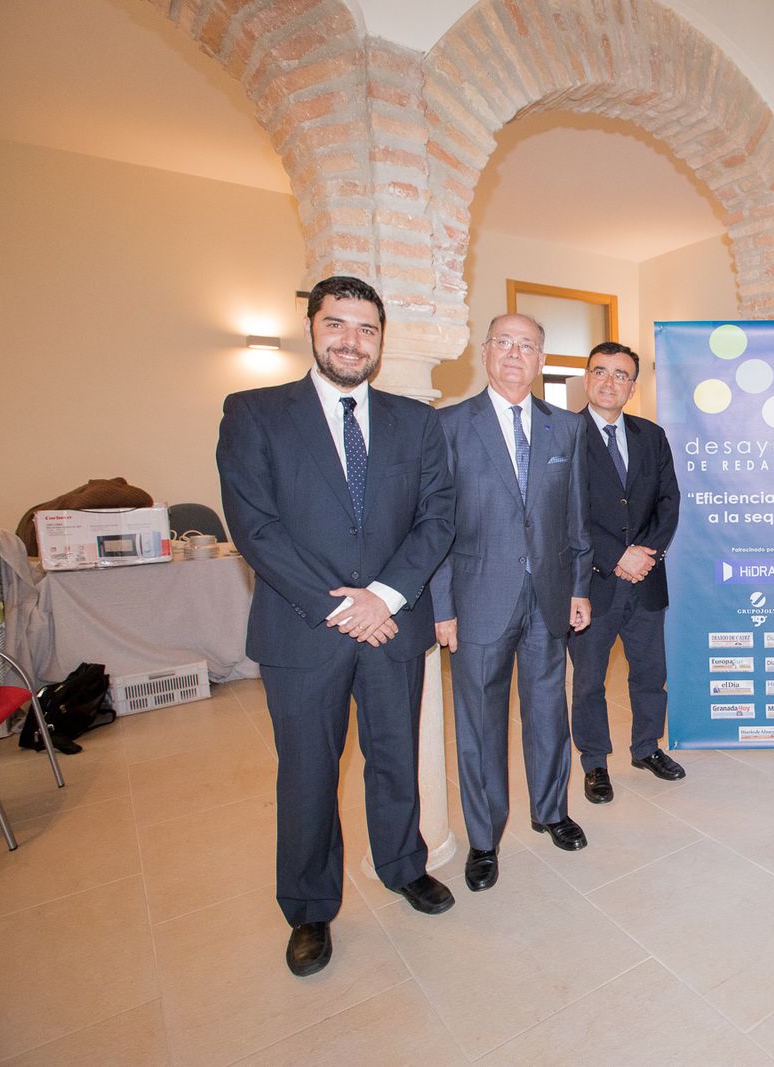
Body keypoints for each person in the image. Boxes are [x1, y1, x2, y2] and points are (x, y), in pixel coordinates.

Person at [217, 275, 457, 978]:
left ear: (381, 340)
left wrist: (383, 596)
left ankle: (403, 865)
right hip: (303, 631)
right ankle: (309, 909)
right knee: (308, 775)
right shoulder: (254, 413)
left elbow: (436, 517)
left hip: (392, 626)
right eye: (337, 325)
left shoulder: (417, 422)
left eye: (367, 329)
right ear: (312, 328)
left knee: (395, 758)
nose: (352, 341)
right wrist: (341, 606)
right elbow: (254, 527)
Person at [431, 313, 593, 886]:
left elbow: (575, 518)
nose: (515, 354)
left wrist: (579, 588)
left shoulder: (565, 430)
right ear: (484, 351)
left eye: (528, 345)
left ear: (542, 358)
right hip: (478, 601)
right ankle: (484, 838)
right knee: (479, 720)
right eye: (504, 342)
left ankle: (552, 810)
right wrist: (442, 608)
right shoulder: (449, 426)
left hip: (549, 596)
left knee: (548, 709)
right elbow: (437, 527)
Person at [568, 342, 686, 802]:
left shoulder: (650, 436)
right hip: (591, 583)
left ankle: (646, 747)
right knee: (589, 680)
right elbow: (563, 512)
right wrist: (618, 555)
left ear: (632, 386)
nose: (609, 382)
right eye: (601, 371)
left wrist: (647, 552)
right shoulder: (564, 434)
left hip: (646, 582)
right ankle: (595, 761)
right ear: (586, 378)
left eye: (621, 375)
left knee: (649, 672)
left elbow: (669, 502)